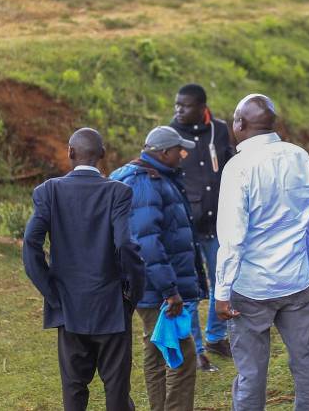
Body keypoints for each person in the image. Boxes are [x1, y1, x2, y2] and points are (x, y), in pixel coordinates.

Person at [22, 128, 146, 411]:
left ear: (70, 152)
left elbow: (31, 242)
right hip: (111, 305)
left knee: (74, 389)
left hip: (68, 307)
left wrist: (51, 292)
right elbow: (126, 244)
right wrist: (132, 293)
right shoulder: (118, 192)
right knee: (116, 390)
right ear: (102, 155)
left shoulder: (48, 191)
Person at [215, 94, 309, 411]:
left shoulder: (238, 168)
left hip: (251, 289)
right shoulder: (300, 157)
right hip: (297, 281)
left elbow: (232, 238)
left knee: (251, 374)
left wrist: (222, 292)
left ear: (240, 124)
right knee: (305, 362)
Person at [110, 126, 205, 411]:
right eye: (179, 150)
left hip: (146, 285)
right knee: (182, 354)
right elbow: (147, 243)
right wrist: (170, 290)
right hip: (156, 287)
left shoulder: (145, 176)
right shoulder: (145, 183)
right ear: (164, 152)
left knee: (155, 349)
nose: (182, 154)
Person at [170, 84, 235, 372]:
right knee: (191, 289)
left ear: (201, 107)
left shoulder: (219, 130)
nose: (178, 111)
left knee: (223, 280)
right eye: (176, 105)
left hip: (219, 221)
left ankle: (216, 337)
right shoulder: (171, 135)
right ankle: (195, 350)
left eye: (184, 106)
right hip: (185, 225)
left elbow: (232, 166)